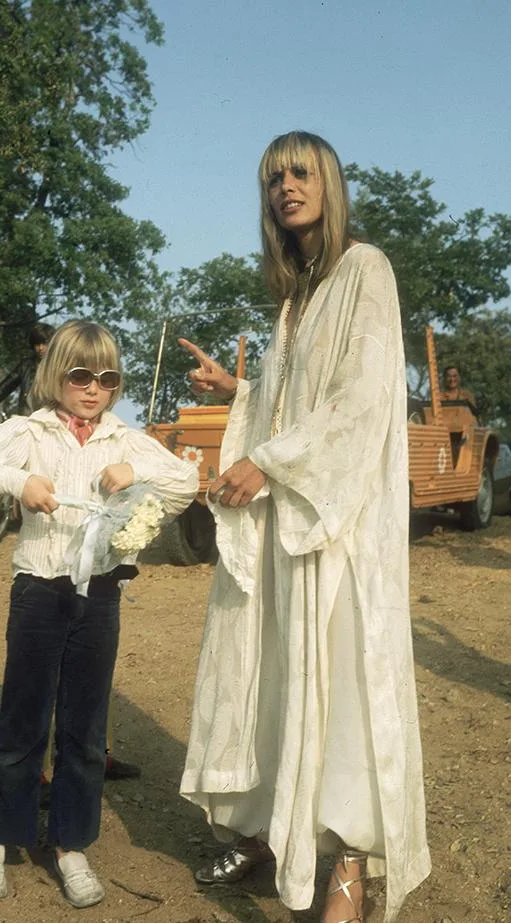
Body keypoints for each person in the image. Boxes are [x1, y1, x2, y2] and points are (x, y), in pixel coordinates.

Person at [178, 132, 430, 923]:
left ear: (328, 181)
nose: (285, 186)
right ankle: (273, 828)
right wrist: (242, 389)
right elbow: (297, 399)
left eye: (298, 171)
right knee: (280, 673)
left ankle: (349, 862)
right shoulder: (295, 298)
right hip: (290, 518)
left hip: (336, 523)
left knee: (344, 684)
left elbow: (359, 400)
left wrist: (271, 463)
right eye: (271, 179)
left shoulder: (366, 269)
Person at [0, 319, 198, 908]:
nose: (93, 388)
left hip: (101, 592)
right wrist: (19, 482)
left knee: (86, 725)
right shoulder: (27, 431)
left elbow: (187, 479)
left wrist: (136, 473)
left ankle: (70, 842)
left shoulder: (122, 438)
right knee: (23, 718)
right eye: (80, 375)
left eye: (106, 378)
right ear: (55, 374)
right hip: (39, 587)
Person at [0, 321, 56, 417]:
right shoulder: (26, 365)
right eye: (37, 344)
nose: (41, 348)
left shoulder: (61, 365)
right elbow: (8, 384)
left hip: (53, 418)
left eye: (44, 343)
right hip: (28, 417)